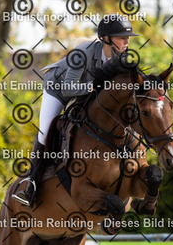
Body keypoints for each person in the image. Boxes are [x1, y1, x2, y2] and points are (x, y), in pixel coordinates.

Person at [12, 14, 139, 206]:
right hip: (58, 89)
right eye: (122, 38)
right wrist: (93, 88)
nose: (126, 42)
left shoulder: (121, 57)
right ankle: (31, 184)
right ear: (106, 38)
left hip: (86, 93)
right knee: (45, 132)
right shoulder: (83, 53)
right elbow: (67, 89)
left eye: (127, 38)